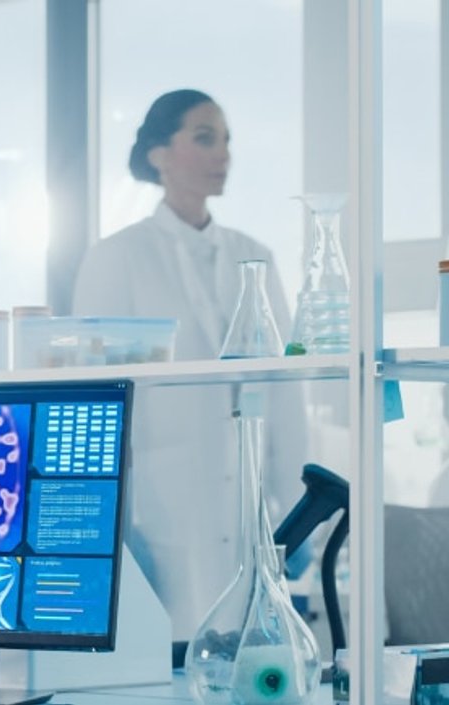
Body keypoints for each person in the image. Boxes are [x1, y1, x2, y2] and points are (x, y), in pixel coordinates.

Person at [72, 90, 307, 643]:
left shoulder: (256, 254)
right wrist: (103, 527)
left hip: (246, 508)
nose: (223, 154)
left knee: (250, 653)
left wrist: (296, 508)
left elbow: (285, 391)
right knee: (168, 655)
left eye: (226, 140)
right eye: (204, 138)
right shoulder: (117, 257)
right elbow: (95, 404)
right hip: (160, 507)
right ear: (159, 154)